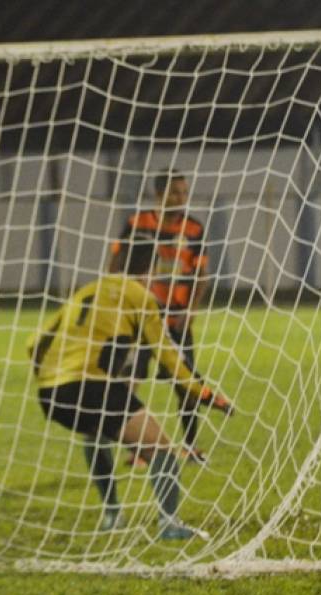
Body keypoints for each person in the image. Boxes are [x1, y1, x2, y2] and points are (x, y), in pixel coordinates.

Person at [27, 237, 231, 538]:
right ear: (151, 268)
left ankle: (112, 514)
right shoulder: (140, 296)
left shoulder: (86, 291)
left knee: (95, 435)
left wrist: (51, 377)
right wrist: (205, 394)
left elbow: (34, 344)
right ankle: (168, 525)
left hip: (52, 392)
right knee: (163, 449)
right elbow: (168, 356)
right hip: (91, 385)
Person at [110, 170, 230, 464]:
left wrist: (191, 308)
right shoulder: (137, 223)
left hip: (175, 317)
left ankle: (190, 446)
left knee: (185, 382)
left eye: (184, 193)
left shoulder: (193, 228)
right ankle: (139, 449)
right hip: (140, 317)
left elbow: (200, 273)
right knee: (130, 380)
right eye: (176, 192)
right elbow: (116, 262)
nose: (181, 198)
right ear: (159, 194)